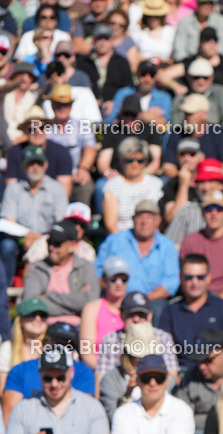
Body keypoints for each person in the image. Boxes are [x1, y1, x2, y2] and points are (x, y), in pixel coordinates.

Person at [95, 200, 180, 320]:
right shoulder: (114, 241)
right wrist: (115, 295)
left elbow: (171, 282)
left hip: (152, 302)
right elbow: (97, 272)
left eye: (149, 217)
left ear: (158, 220)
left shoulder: (167, 246)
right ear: (133, 219)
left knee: (160, 309)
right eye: (140, 217)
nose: (144, 221)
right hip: (116, 299)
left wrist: (142, 300)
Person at [158, 253, 223, 374]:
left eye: (200, 277)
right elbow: (165, 350)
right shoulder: (170, 310)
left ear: (209, 277)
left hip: (215, 371)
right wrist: (175, 379)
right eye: (189, 277)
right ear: (180, 277)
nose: (194, 282)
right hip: (181, 370)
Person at [0, 144, 68, 282]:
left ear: (46, 165)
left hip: (48, 238)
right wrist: (24, 238)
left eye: (39, 163)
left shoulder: (57, 189)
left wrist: (39, 239)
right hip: (20, 239)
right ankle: (4, 290)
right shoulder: (13, 189)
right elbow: (8, 223)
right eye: (31, 163)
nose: (36, 167)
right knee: (6, 246)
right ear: (23, 166)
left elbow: (60, 223)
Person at [3, 324, 97, 424]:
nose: (60, 350)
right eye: (55, 344)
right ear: (43, 344)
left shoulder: (83, 371)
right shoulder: (20, 370)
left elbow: (84, 415)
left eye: (68, 346)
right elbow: (10, 420)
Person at [21, 219, 100, 328]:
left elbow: (91, 300)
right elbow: (31, 304)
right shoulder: (37, 268)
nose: (51, 248)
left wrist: (49, 296)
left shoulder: (85, 267)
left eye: (57, 244)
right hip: (43, 329)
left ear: (72, 245)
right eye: (49, 242)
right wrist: (74, 308)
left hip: (78, 330)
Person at [94, 291, 179, 388]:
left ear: (150, 315)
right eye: (131, 314)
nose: (136, 319)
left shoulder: (163, 337)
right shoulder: (110, 340)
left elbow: (172, 379)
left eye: (141, 315)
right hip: (121, 393)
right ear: (121, 314)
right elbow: (101, 381)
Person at [179, 192, 223, 300]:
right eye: (209, 209)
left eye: (219, 209)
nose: (214, 213)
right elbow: (184, 277)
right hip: (195, 295)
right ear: (202, 212)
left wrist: (216, 306)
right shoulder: (189, 241)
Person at [101, 136, 163, 233]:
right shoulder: (112, 186)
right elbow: (111, 225)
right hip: (122, 238)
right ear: (121, 161)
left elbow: (160, 221)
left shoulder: (156, 184)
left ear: (145, 162)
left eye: (140, 160)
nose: (135, 164)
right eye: (129, 160)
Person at [80, 256, 131, 369]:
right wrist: (105, 374)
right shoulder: (92, 309)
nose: (119, 283)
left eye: (123, 279)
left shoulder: (135, 309)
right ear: (104, 280)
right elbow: (87, 352)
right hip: (100, 370)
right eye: (113, 279)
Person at [0, 298, 49, 391]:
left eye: (43, 315)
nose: (38, 319)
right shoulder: (8, 349)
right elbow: (2, 390)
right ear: (20, 320)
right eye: (31, 315)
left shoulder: (53, 349)